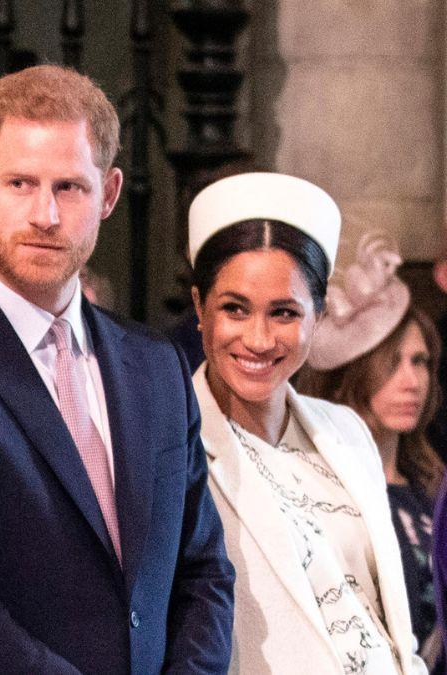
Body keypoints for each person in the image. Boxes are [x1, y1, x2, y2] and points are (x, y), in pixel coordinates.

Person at [0, 64, 234, 673]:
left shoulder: (155, 366)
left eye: (69, 187)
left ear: (110, 194)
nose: (45, 214)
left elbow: (202, 568)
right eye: (21, 183)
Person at [187, 172, 424, 673]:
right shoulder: (169, 444)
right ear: (199, 308)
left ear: (317, 316)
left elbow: (386, 616)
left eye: (284, 313)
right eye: (234, 308)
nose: (258, 338)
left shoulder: (347, 430)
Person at [301, 232, 444, 672]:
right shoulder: (321, 489)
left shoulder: (433, 486)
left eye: (419, 361)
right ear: (354, 373)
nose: (411, 381)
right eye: (392, 362)